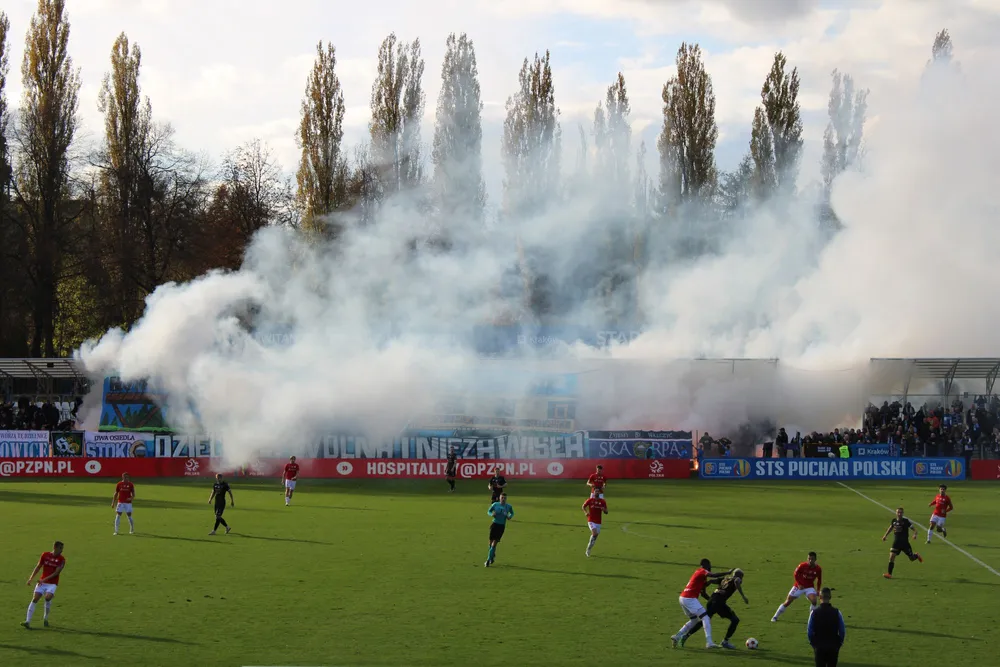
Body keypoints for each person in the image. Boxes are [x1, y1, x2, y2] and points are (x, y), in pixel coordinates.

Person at [679, 568, 748, 649]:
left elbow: (711, 581)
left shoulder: (725, 579)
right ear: (739, 575)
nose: (741, 579)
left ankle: (685, 636)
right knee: (735, 620)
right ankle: (725, 642)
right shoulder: (737, 579)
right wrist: (743, 596)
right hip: (719, 603)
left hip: (711, 600)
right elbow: (737, 581)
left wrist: (704, 587)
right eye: (742, 577)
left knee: (705, 620)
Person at [670, 558, 731, 649]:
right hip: (689, 598)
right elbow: (713, 575)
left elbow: (703, 593)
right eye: (709, 565)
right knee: (705, 617)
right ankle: (709, 642)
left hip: (683, 597)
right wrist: (727, 573)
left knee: (694, 620)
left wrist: (712, 600)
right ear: (705, 565)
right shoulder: (701, 571)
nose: (710, 567)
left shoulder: (701, 577)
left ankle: (677, 636)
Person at [21, 541, 66, 629]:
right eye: (61, 548)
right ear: (55, 547)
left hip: (52, 583)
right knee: (35, 598)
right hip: (42, 582)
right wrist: (31, 578)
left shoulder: (62, 560)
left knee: (47, 597)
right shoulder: (45, 555)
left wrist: (43, 579)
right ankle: (27, 621)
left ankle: (45, 618)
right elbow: (38, 567)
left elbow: (56, 573)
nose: (62, 551)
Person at [773, 552, 822, 622]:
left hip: (809, 587)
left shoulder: (818, 569)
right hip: (799, 586)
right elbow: (795, 574)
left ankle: (811, 619)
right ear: (807, 559)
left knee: (814, 601)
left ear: (815, 559)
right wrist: (799, 584)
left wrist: (818, 590)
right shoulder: (802, 565)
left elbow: (819, 580)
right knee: (788, 601)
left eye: (812, 559)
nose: (810, 560)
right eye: (809, 559)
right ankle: (775, 616)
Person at [807, 587, 846, 667]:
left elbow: (810, 631)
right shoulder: (837, 612)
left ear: (820, 597)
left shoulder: (814, 613)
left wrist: (814, 643)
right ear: (830, 597)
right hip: (833, 646)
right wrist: (839, 643)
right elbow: (842, 630)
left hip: (819, 646)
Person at [882, 507, 923, 578]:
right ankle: (889, 574)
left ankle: (916, 555)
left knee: (912, 558)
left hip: (905, 544)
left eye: (901, 512)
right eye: (898, 512)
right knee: (891, 557)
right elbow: (891, 528)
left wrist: (915, 535)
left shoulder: (906, 521)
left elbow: (915, 530)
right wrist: (885, 535)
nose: (899, 514)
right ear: (896, 513)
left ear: (903, 513)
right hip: (896, 543)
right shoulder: (894, 521)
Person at [485, 492, 514, 567]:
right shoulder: (495, 505)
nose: (503, 499)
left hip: (501, 526)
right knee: (490, 543)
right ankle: (492, 555)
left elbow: (512, 513)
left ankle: (488, 560)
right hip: (494, 525)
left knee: (494, 543)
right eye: (502, 498)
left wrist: (509, 517)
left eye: (505, 498)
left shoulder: (508, 506)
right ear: (499, 498)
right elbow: (488, 511)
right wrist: (492, 514)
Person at [582, 490, 608, 557]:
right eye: (595, 491)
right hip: (591, 520)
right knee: (595, 533)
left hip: (598, 522)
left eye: (598, 492)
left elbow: (606, 512)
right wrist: (586, 512)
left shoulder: (602, 502)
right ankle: (588, 549)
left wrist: (603, 510)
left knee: (595, 536)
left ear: (599, 493)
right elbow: (583, 506)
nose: (597, 493)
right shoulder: (590, 500)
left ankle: (589, 548)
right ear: (593, 493)